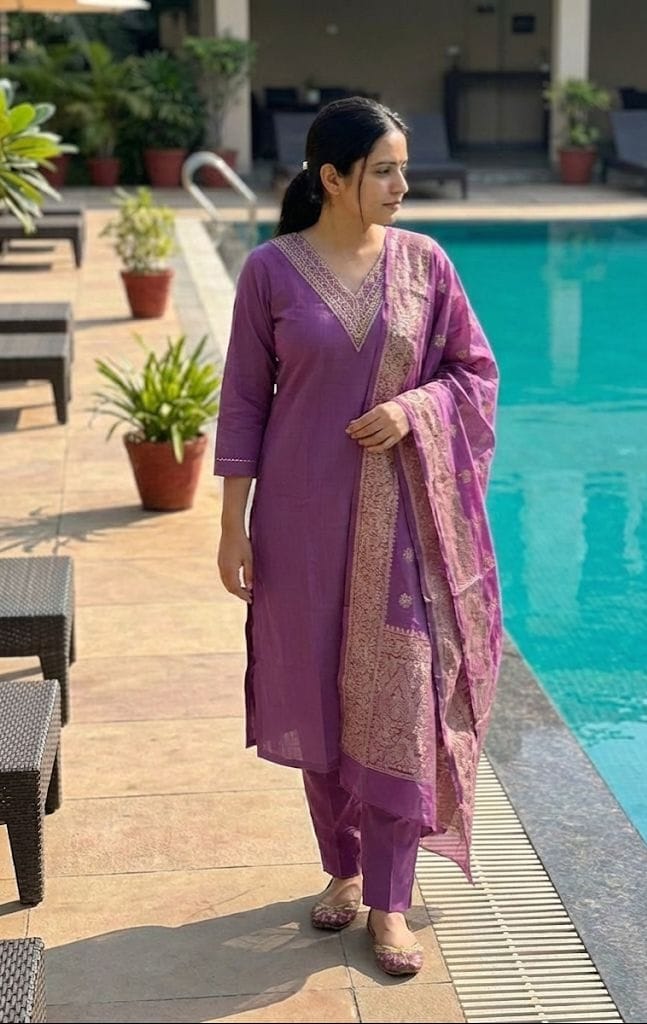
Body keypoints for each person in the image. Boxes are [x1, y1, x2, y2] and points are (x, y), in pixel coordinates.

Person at [215, 97, 502, 977]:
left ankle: (389, 900)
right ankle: (340, 868)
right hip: (298, 522)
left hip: (401, 529)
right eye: (384, 170)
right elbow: (243, 403)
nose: (401, 184)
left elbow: (473, 372)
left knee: (398, 701)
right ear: (331, 177)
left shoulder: (425, 263)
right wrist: (231, 527)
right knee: (317, 696)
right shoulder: (269, 272)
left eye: (401, 168)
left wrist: (412, 410)